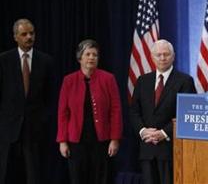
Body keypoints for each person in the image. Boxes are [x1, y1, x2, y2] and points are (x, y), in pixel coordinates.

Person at [130, 39, 196, 184]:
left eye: (166, 54)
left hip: (171, 149)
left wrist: (164, 133)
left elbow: (187, 115)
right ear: (152, 57)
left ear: (173, 56)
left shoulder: (185, 81)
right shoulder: (142, 80)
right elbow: (134, 112)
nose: (162, 58)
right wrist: (143, 131)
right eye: (158, 55)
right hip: (147, 148)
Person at [56, 39, 122, 184]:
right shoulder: (69, 81)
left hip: (101, 140)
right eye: (88, 54)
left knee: (100, 178)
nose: (91, 57)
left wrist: (115, 139)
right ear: (80, 58)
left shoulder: (108, 79)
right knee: (77, 178)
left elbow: (116, 110)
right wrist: (62, 141)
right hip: (76, 141)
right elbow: (63, 113)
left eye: (95, 55)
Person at [0, 18, 54, 184]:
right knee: (7, 174)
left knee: (34, 176)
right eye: (24, 34)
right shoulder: (3, 60)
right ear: (16, 36)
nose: (29, 37)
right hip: (9, 130)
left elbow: (50, 96)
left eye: (31, 33)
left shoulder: (45, 61)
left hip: (35, 130)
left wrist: (44, 120)